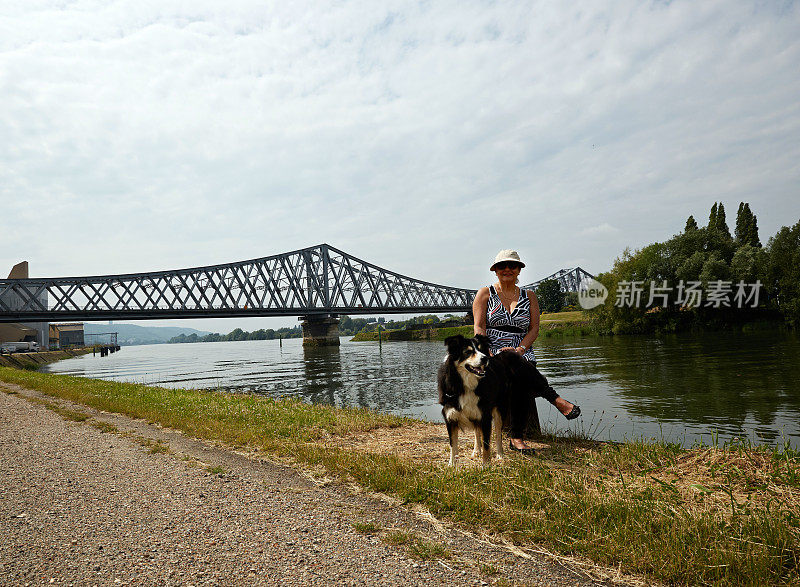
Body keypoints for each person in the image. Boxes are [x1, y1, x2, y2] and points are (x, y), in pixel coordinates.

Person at [473, 249, 581, 454]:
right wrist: (490, 351)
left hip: (523, 354)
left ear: (519, 270)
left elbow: (534, 329)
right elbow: (479, 328)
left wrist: (521, 348)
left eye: (512, 265)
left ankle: (516, 438)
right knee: (511, 361)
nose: (507, 269)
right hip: (493, 354)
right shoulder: (485, 294)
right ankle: (554, 401)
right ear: (495, 270)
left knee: (517, 370)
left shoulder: (529, 296)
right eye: (502, 266)